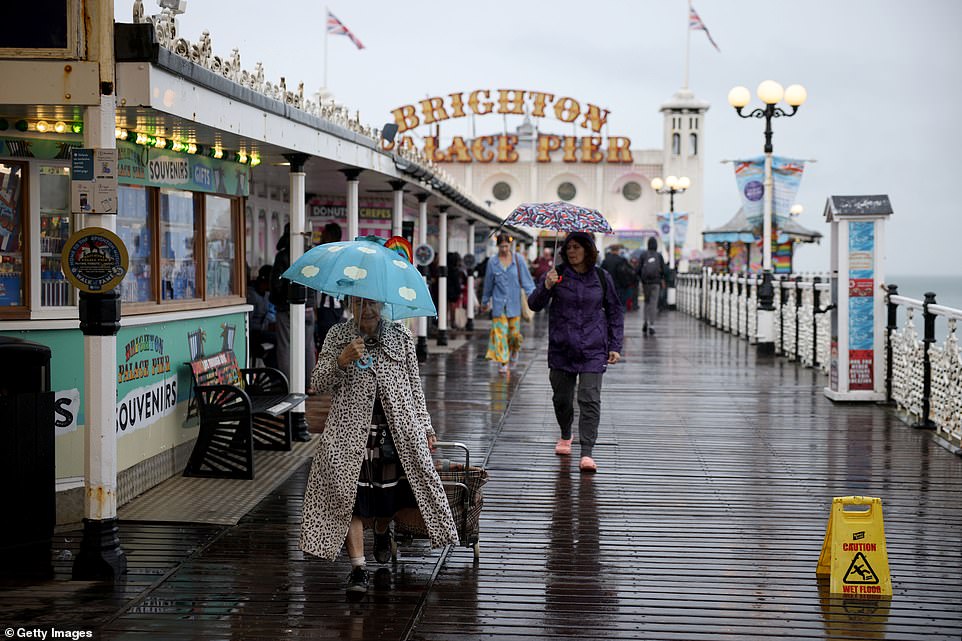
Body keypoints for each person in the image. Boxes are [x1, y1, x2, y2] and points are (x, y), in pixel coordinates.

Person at [299, 296, 459, 594]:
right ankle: (359, 569)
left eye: (372, 303)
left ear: (382, 305)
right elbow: (318, 383)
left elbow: (414, 386)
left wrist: (426, 426)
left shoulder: (401, 336)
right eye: (359, 304)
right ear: (350, 305)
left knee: (388, 499)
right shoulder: (338, 335)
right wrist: (341, 360)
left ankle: (383, 531)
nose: (367, 310)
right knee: (349, 499)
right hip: (348, 432)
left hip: (395, 431)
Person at [527, 231, 624, 473]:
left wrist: (615, 345)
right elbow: (533, 305)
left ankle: (587, 452)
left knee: (589, 399)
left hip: (593, 348)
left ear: (588, 250)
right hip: (562, 348)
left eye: (577, 247)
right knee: (562, 399)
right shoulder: (556, 275)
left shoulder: (602, 277)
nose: (571, 251)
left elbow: (614, 311)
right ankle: (565, 433)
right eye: (568, 247)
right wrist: (546, 286)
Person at [269, 223, 315, 439]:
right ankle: (309, 384)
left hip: (287, 308)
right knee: (307, 346)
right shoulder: (309, 255)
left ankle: (288, 386)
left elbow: (274, 286)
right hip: (308, 307)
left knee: (285, 347)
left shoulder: (284, 257)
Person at [480, 234, 536, 375]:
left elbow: (527, 281)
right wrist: (485, 301)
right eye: (501, 246)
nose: (504, 249)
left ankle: (514, 352)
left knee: (513, 335)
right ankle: (503, 362)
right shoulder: (492, 262)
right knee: (500, 334)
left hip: (514, 306)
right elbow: (488, 284)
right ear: (498, 246)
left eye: (506, 246)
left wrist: (534, 297)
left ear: (510, 246)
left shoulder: (518, 260)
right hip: (499, 306)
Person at [314, 222, 344, 350]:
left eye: (324, 235)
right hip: (337, 306)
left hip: (327, 307)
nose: (321, 237)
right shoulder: (343, 255)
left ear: (330, 236)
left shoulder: (325, 255)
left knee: (327, 344)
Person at [636, 236, 666, 335]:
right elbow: (664, 269)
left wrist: (641, 279)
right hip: (656, 283)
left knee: (646, 302)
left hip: (646, 283)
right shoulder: (659, 255)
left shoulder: (644, 255)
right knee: (653, 304)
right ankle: (652, 325)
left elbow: (638, 269)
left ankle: (645, 322)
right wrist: (662, 279)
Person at [600, 244, 637, 311]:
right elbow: (628, 273)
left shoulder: (605, 261)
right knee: (621, 306)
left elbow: (601, 273)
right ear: (618, 250)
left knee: (610, 306)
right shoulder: (622, 260)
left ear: (611, 250)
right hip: (620, 287)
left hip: (608, 287)